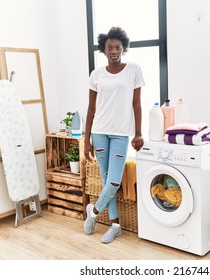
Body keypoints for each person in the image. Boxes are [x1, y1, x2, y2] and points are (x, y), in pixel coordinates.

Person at [83, 26, 145, 243]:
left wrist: (138, 133)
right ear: (104, 49)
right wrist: (86, 141)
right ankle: (116, 225)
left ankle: (93, 213)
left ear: (123, 48)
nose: (114, 51)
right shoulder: (96, 75)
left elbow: (137, 104)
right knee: (107, 178)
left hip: (120, 134)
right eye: (109, 47)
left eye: (117, 47)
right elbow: (91, 109)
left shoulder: (134, 70)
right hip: (99, 132)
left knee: (114, 182)